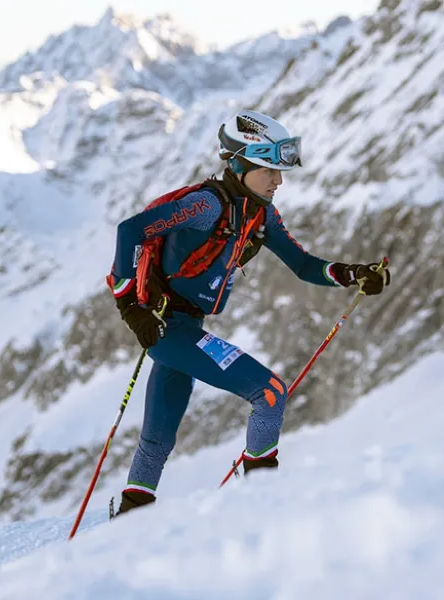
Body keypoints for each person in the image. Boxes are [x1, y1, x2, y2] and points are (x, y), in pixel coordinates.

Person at [105, 109, 391, 516]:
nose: (279, 180)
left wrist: (352, 274)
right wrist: (131, 307)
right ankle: (262, 503)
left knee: (157, 439)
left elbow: (304, 265)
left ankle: (130, 516)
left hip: (187, 328)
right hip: (167, 328)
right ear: (239, 165)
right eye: (269, 170)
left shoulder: (261, 214)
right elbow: (130, 230)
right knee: (270, 393)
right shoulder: (205, 205)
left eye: (280, 170)